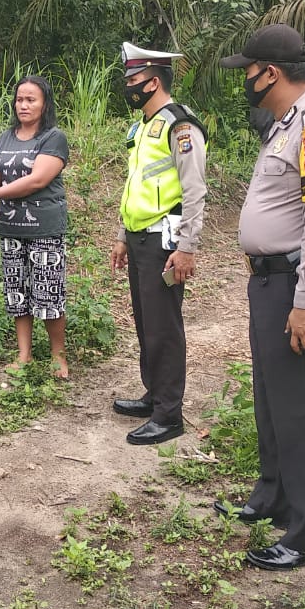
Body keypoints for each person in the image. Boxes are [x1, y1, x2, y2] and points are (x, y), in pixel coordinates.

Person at [217, 23, 305, 571]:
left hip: (297, 284)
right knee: (271, 397)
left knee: (300, 407)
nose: (245, 80)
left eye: (248, 72)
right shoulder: (286, 125)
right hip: (269, 280)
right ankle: (272, 495)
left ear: (270, 73)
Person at [110, 42, 208, 446]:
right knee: (146, 321)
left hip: (166, 242)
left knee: (164, 326)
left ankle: (169, 415)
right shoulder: (144, 127)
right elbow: (136, 185)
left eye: (133, 80)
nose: (128, 86)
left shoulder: (180, 126)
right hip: (139, 237)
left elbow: (195, 189)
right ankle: (154, 395)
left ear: (153, 82)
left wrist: (187, 247)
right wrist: (121, 236)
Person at [0, 75, 70, 379]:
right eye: (20, 99)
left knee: (49, 293)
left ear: (44, 104)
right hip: (11, 229)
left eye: (31, 99)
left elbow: (36, 180)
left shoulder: (53, 137)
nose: (23, 105)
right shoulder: (6, 138)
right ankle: (24, 355)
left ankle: (57, 357)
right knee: (18, 293)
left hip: (45, 229)